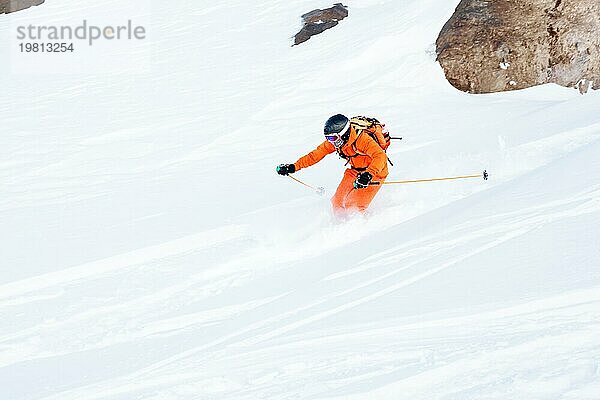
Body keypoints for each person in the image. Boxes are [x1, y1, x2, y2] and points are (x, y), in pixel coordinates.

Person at [277, 114, 389, 215]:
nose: (330, 142)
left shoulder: (362, 140)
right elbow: (315, 155)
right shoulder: (336, 143)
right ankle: (338, 225)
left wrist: (368, 175)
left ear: (344, 134)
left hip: (375, 172)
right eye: (328, 138)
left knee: (353, 207)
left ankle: (361, 229)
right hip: (355, 171)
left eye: (333, 138)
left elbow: (380, 156)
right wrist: (294, 166)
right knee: (337, 202)